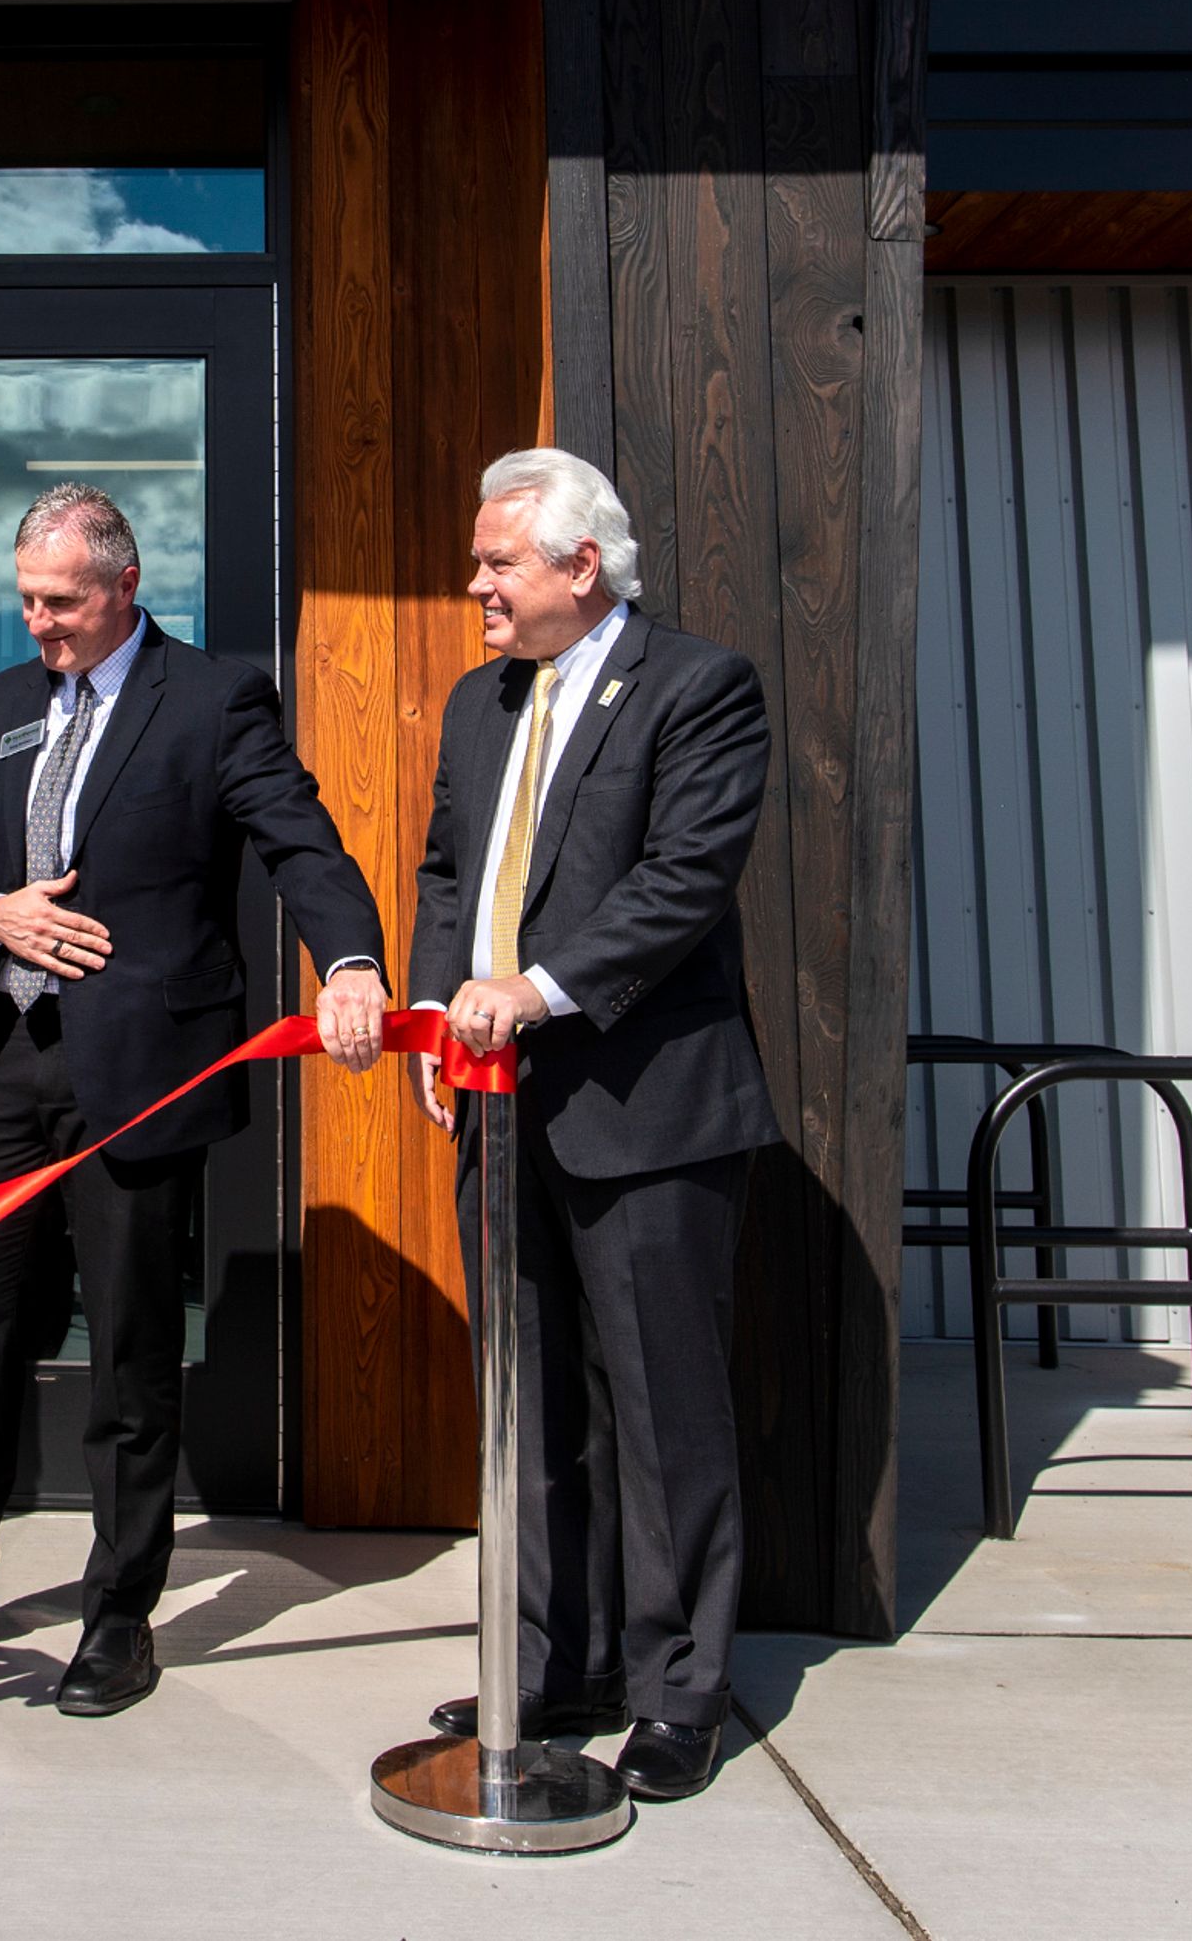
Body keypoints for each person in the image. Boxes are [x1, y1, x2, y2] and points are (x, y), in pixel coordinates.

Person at [0, 483, 387, 1718]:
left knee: (129, 1343)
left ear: (125, 587)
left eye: (63, 601)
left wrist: (348, 959)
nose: (41, 624)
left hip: (133, 1071)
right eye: (26, 599)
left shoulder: (213, 697)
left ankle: (119, 1613)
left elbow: (298, 837)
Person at [406, 447, 777, 1803]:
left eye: (498, 561)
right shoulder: (478, 702)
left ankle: (682, 1688)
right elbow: (451, 869)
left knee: (663, 1408)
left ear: (581, 564)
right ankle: (557, 1662)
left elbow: (685, 875)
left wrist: (536, 991)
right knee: (533, 1396)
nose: (476, 583)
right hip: (498, 1112)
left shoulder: (697, 686)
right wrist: (444, 1003)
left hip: (646, 1109)